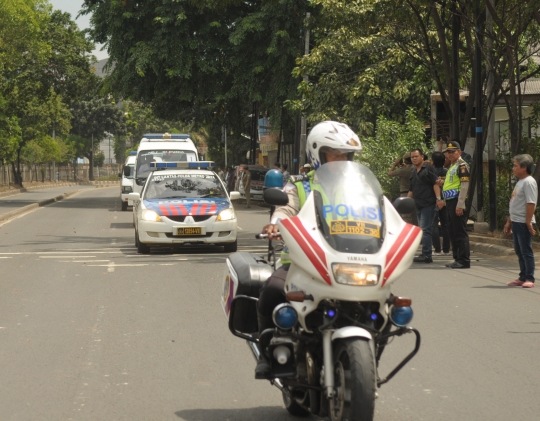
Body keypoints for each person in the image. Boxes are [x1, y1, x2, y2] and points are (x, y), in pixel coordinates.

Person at [255, 121, 362, 379]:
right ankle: (266, 353)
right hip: (303, 263)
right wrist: (275, 224)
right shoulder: (300, 185)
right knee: (271, 291)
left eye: (345, 156)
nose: (340, 161)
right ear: (317, 154)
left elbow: (381, 211)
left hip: (349, 262)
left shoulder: (359, 186)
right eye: (334, 155)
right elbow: (285, 208)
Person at [504, 154, 538, 288]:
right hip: (516, 221)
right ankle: (522, 276)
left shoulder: (529, 182)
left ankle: (529, 277)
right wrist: (509, 222)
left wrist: (528, 221)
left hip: (524, 222)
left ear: (524, 168)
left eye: (515, 166)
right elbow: (514, 204)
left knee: (526, 251)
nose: (513, 168)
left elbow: (531, 203)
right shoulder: (520, 182)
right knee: (519, 251)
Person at [408, 149, 444, 263]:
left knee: (425, 229)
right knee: (422, 229)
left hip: (428, 204)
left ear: (422, 157)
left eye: (416, 156)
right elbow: (411, 190)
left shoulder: (429, 169)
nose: (414, 158)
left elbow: (436, 184)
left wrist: (439, 199)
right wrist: (405, 204)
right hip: (417, 205)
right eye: (412, 157)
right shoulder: (413, 172)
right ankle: (425, 253)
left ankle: (427, 254)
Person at [442, 141, 471, 269]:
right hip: (450, 201)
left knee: (460, 232)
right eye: (448, 152)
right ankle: (457, 258)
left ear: (459, 152)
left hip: (457, 201)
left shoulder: (462, 165)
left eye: (453, 151)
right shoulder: (452, 167)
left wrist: (460, 204)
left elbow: (464, 186)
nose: (450, 154)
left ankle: (464, 259)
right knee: (452, 231)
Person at [388, 152, 417, 225]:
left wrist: (395, 164)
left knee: (406, 216)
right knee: (415, 216)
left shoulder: (403, 170)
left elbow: (390, 173)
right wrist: (401, 165)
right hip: (415, 193)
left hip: (405, 194)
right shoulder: (416, 168)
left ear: (405, 161)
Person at [431, 152, 450, 255]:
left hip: (434, 201)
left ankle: (437, 249)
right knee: (445, 225)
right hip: (446, 200)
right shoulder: (448, 172)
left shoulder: (430, 172)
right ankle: (446, 249)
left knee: (434, 225)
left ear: (433, 161)